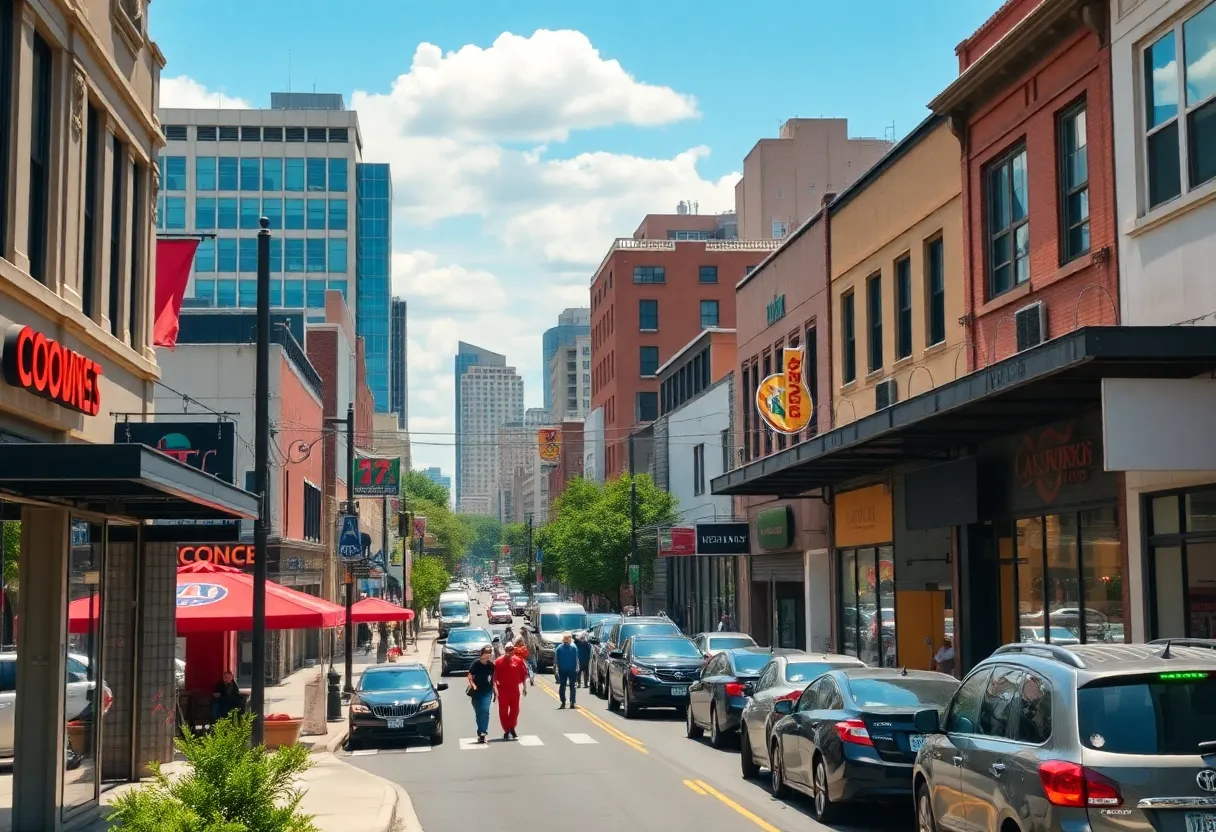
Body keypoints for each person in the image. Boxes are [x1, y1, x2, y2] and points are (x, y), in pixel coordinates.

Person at [493, 643, 528, 740]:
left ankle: (512, 727)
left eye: (511, 649)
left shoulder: (518, 660)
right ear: (505, 650)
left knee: (515, 710)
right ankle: (506, 730)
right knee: (503, 711)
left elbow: (523, 674)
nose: (509, 652)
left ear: (513, 650)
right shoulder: (498, 662)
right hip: (503, 690)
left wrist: (525, 687)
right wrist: (495, 689)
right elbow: (494, 677)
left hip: (514, 689)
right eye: (507, 650)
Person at [466, 646, 495, 744]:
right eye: (485, 657)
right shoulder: (475, 664)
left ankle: (483, 732)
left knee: (485, 710)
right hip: (476, 692)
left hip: (487, 691)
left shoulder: (491, 665)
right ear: (481, 655)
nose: (487, 659)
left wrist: (495, 689)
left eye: (488, 657)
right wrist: (473, 685)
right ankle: (480, 731)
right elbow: (470, 676)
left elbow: (494, 678)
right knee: (479, 713)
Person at [554, 632, 579, 708]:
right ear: (569, 640)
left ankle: (563, 702)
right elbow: (576, 659)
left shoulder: (558, 648)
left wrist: (556, 669)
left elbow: (556, 660)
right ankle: (572, 702)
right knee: (572, 686)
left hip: (562, 670)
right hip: (572, 670)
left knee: (562, 685)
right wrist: (577, 669)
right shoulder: (574, 648)